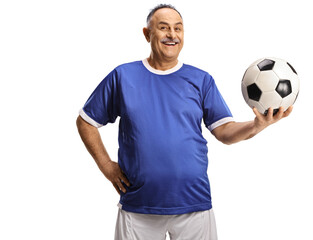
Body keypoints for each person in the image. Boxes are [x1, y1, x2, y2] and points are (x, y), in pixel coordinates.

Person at [76, 4, 292, 240]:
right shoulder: (122, 76)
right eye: (164, 28)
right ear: (147, 34)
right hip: (139, 205)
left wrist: (256, 125)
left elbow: (224, 131)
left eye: (178, 29)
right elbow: (86, 121)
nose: (172, 34)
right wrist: (107, 166)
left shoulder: (201, 80)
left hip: (194, 204)